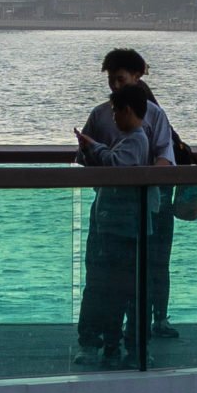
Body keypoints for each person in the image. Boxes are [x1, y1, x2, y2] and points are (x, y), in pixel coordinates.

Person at [79, 48, 191, 339]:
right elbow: (82, 160)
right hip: (108, 207)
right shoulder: (100, 115)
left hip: (146, 207)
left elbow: (165, 158)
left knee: (146, 269)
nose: (116, 87)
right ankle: (97, 336)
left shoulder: (154, 116)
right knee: (100, 271)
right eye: (112, 81)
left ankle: (139, 333)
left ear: (137, 77)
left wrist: (138, 180)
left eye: (121, 80)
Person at [73, 83, 161, 367]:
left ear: (127, 111)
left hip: (125, 230)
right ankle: (116, 343)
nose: (112, 118)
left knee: (118, 288)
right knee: (117, 289)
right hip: (118, 227)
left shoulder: (136, 140)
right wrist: (90, 152)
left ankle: (119, 343)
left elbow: (116, 165)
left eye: (115, 112)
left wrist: (94, 146)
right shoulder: (132, 139)